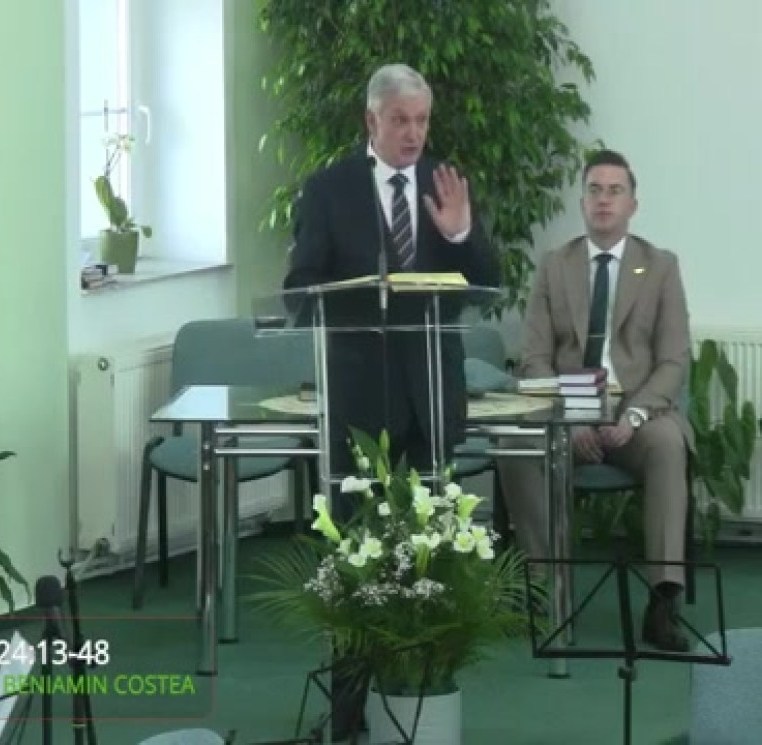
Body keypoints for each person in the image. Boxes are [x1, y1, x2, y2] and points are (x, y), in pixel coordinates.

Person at [282, 62, 500, 740]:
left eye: (422, 120)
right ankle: (349, 711)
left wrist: (461, 234)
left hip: (430, 393)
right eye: (400, 120)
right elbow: (299, 289)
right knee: (357, 558)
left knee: (431, 556)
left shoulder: (446, 185)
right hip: (358, 400)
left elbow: (488, 284)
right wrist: (361, 294)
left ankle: (420, 701)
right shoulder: (329, 189)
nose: (413, 133)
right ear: (371, 121)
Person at [496, 149, 694, 653]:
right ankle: (547, 587)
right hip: (568, 411)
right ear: (582, 201)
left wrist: (635, 415)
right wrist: (572, 418)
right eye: (594, 190)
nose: (604, 200)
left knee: (668, 444)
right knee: (515, 446)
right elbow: (535, 357)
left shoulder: (661, 266)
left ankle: (663, 600)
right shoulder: (554, 266)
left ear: (632, 204)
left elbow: (673, 359)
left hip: (636, 413)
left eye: (615, 191)